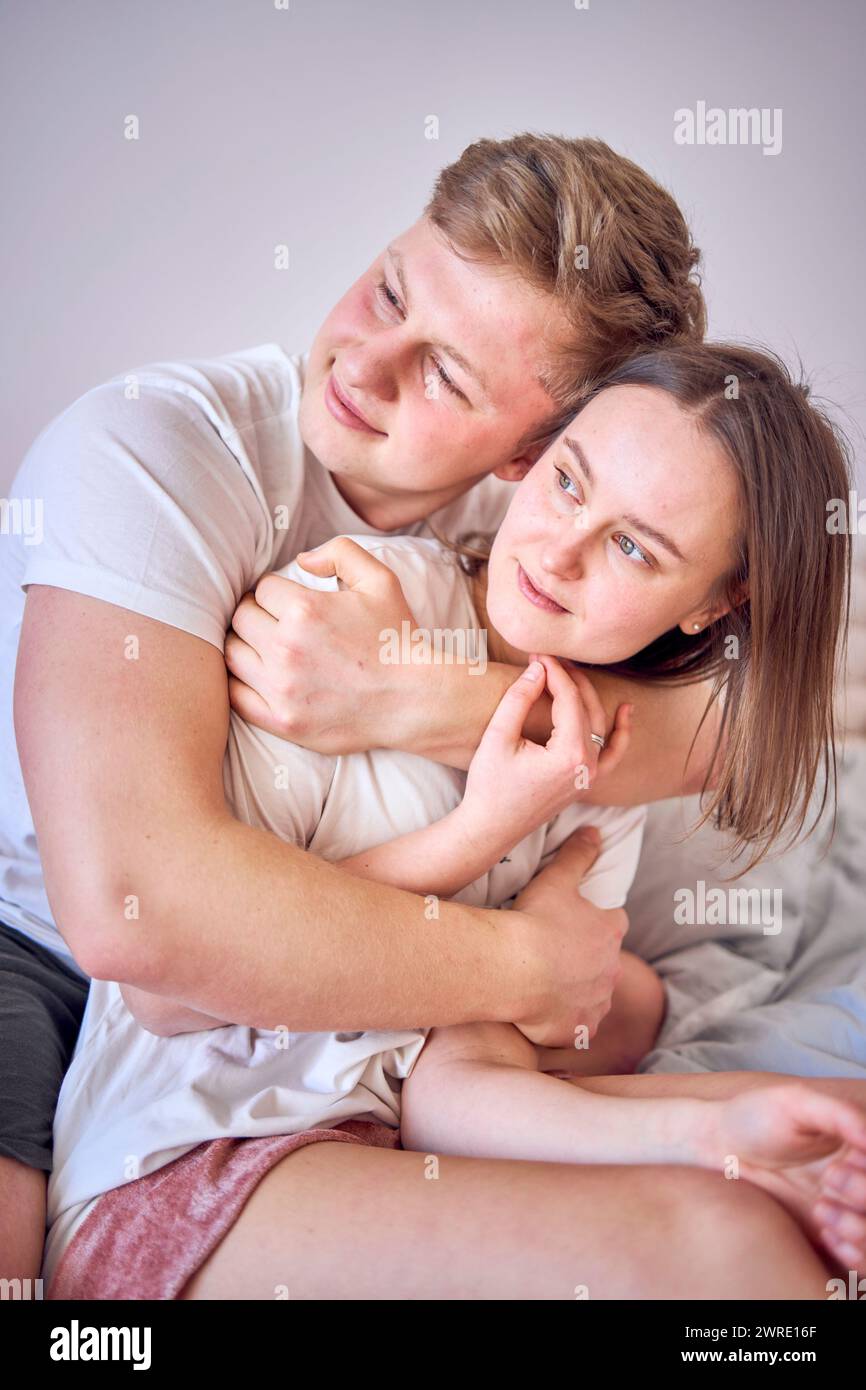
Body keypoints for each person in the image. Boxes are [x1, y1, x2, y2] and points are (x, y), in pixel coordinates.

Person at [4, 133, 717, 1288]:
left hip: (307, 1001)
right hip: (30, 945)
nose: (363, 362)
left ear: (537, 452)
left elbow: (724, 747)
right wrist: (523, 966)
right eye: (388, 290)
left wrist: (411, 691)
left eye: (446, 374)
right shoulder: (155, 452)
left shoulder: (528, 566)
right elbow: (137, 921)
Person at [42, 341, 864, 1300]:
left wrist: (719, 1133)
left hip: (387, 1154)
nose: (558, 553)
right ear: (538, 453)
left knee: (814, 1165)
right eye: (568, 483)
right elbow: (174, 992)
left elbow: (460, 1087)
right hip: (185, 1165)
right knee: (716, 1248)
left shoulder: (596, 754)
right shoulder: (343, 616)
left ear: (715, 605)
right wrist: (477, 833)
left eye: (633, 547)